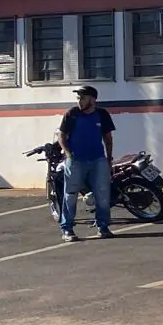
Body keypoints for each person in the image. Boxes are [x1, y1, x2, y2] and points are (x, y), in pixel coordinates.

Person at [57, 85, 116, 241]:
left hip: (98, 159)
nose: (79, 101)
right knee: (70, 195)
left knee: (102, 195)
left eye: (82, 98)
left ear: (92, 99)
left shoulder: (102, 114)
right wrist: (69, 155)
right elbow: (61, 135)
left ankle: (103, 227)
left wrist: (108, 158)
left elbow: (107, 138)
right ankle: (67, 229)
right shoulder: (72, 114)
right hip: (76, 160)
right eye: (78, 98)